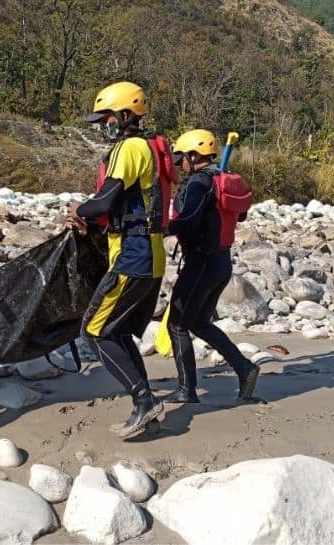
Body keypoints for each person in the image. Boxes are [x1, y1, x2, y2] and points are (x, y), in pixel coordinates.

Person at [67, 81, 168, 439]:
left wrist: (78, 208)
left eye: (106, 118)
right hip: (147, 253)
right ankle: (146, 405)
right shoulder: (143, 148)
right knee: (118, 332)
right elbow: (119, 205)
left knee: (94, 331)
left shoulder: (129, 147)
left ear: (125, 115)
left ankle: (145, 401)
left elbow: (106, 200)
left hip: (134, 256)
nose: (102, 126)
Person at [163, 129, 259, 403]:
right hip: (220, 263)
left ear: (194, 156)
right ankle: (245, 368)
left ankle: (186, 391)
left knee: (177, 325)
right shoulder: (222, 181)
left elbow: (189, 218)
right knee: (198, 322)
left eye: (182, 157)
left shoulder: (198, 184)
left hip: (201, 264)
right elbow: (240, 215)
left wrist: (157, 229)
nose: (180, 163)